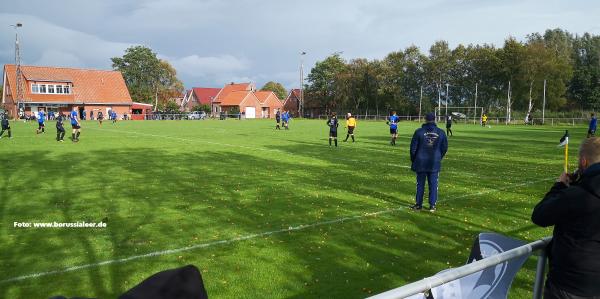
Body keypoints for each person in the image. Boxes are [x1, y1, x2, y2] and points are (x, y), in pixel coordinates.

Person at [531, 137, 600, 299]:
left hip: (570, 285)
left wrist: (559, 186)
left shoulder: (577, 196)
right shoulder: (580, 192)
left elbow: (540, 215)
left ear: (583, 162)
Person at [410, 112, 448, 212]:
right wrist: (438, 157)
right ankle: (432, 205)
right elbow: (444, 148)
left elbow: (413, 149)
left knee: (420, 184)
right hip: (434, 163)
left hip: (421, 162)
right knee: (433, 184)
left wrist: (414, 159)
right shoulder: (441, 132)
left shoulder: (419, 132)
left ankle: (418, 205)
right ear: (434, 119)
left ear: (425, 119)